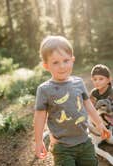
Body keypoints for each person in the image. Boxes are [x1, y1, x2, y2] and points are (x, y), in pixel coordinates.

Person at [34, 35, 110, 166]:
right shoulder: (45, 90)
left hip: (85, 141)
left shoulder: (78, 83)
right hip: (62, 146)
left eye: (65, 60)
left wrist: (99, 123)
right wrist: (39, 140)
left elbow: (88, 105)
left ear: (72, 60)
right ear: (46, 66)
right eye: (55, 62)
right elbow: (40, 116)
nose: (62, 66)